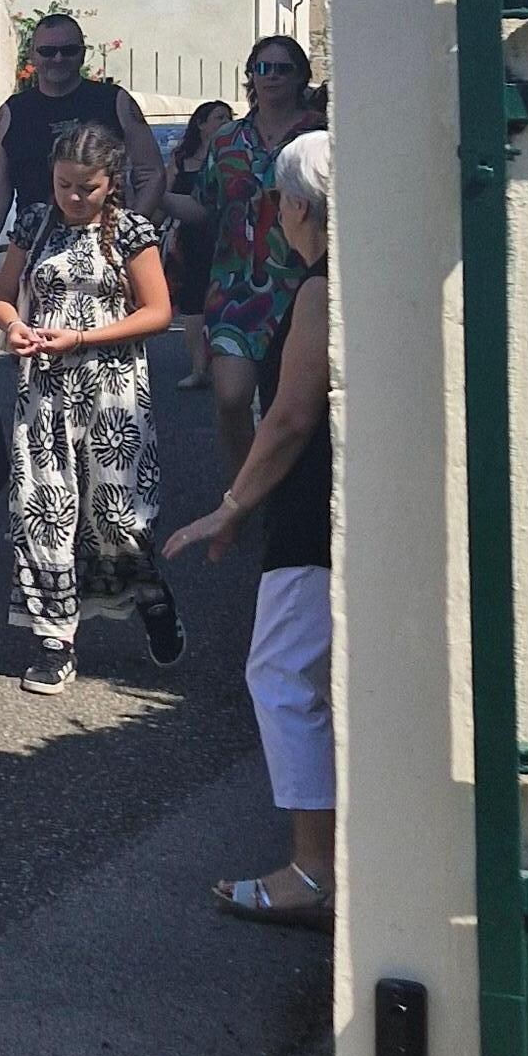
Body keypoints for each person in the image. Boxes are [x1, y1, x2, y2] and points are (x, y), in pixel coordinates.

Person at [167, 129, 334, 923]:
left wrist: (231, 507)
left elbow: (293, 416)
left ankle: (313, 870)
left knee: (281, 673)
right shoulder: (356, 273)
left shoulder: (320, 289)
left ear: (296, 207)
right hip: (340, 504)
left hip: (315, 511)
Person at [0, 115, 181, 693]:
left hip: (113, 391)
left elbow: (158, 312)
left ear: (110, 182)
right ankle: (54, 640)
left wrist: (84, 339)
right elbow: (1, 297)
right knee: (44, 508)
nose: (73, 197)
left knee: (115, 517)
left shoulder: (132, 231)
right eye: (63, 184)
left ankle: (150, 594)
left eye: (86, 187)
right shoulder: (35, 224)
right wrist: (15, 326)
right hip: (44, 388)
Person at [0, 14, 163, 301]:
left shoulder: (113, 101)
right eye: (48, 51)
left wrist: (128, 233)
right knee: (38, 337)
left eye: (68, 50)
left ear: (82, 53)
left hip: (107, 246)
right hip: (37, 247)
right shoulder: (13, 112)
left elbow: (153, 173)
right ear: (33, 55)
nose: (58, 58)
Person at [201, 37, 319, 470]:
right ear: (250, 75)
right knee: (231, 399)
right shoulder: (227, 140)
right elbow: (204, 205)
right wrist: (149, 198)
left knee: (292, 404)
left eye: (282, 68)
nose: (271, 77)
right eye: (262, 68)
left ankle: (287, 490)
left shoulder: (320, 135)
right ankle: (247, 486)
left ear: (300, 76)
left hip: (300, 285)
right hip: (234, 289)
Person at [159, 99, 236, 385]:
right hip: (190, 239)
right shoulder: (181, 159)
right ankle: (198, 368)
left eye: (229, 116)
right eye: (219, 117)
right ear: (201, 124)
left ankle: (224, 364)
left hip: (226, 235)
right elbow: (161, 194)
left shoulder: (233, 155)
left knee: (223, 299)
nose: (226, 121)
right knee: (192, 302)